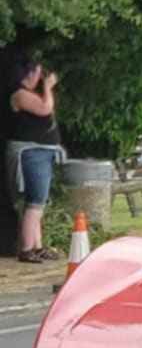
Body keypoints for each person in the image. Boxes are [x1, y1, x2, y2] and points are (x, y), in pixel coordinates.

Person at [5, 59, 66, 263]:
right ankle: (27, 248)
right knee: (35, 201)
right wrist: (48, 88)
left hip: (42, 150)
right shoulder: (19, 94)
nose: (39, 79)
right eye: (37, 74)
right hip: (31, 150)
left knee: (38, 202)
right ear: (27, 74)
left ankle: (37, 246)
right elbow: (44, 109)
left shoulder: (30, 93)